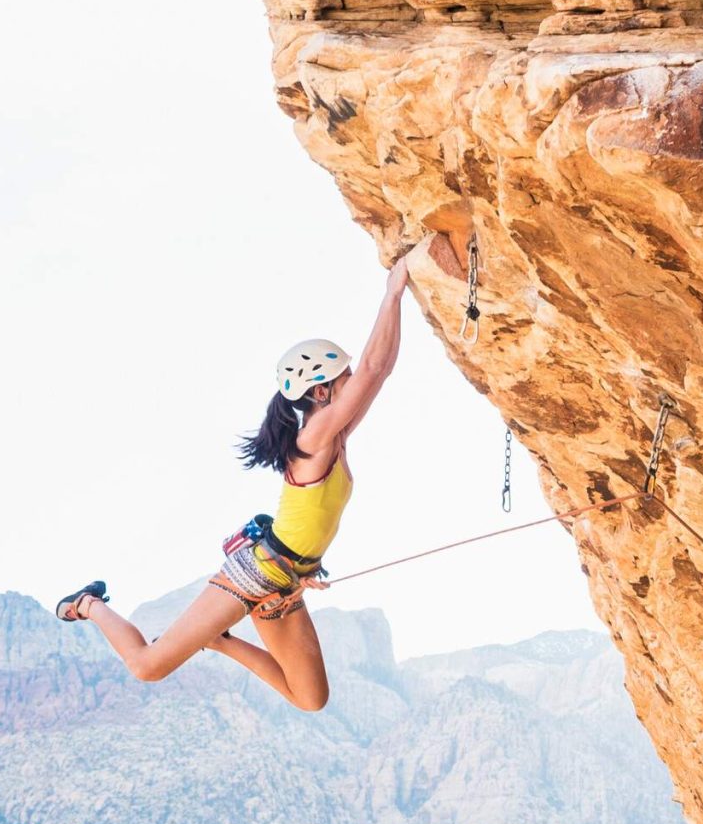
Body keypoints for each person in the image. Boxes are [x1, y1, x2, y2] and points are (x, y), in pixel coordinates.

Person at [55, 242, 436, 712]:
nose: (354, 385)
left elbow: (379, 373)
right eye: (345, 379)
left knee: (311, 699)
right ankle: (89, 604)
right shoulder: (315, 434)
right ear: (321, 390)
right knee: (147, 666)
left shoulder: (333, 437)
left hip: (285, 578)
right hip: (254, 573)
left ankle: (219, 641)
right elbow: (374, 369)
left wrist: (401, 297)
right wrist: (393, 292)